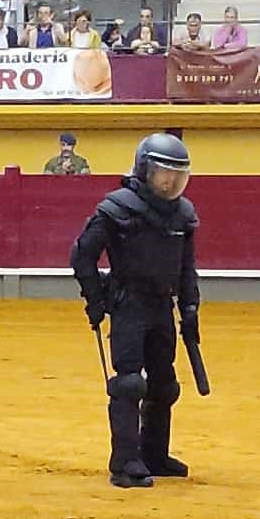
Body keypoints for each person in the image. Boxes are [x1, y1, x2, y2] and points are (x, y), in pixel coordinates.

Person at [70, 133, 200, 489]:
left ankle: (154, 454)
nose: (170, 181)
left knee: (164, 385)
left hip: (162, 306)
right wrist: (96, 300)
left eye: (177, 174)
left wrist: (190, 306)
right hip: (129, 305)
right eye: (163, 173)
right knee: (129, 383)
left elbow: (187, 267)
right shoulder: (117, 208)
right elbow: (82, 255)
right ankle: (125, 462)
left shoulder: (182, 215)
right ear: (144, 170)